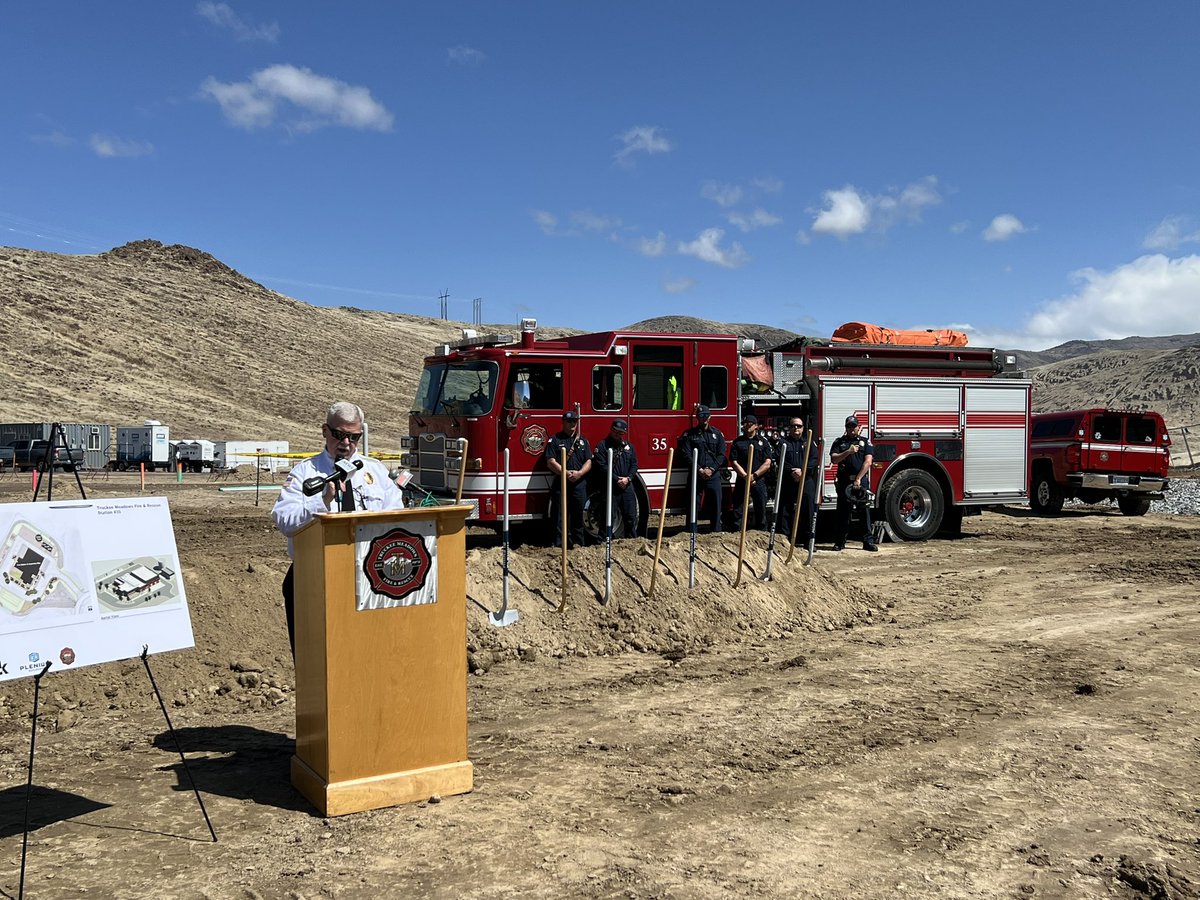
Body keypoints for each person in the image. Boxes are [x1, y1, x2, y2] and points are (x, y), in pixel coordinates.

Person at [272, 401, 406, 654]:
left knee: (367, 650)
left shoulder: (375, 472)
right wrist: (321, 500)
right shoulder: (305, 472)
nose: (346, 443)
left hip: (371, 576)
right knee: (316, 653)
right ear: (325, 431)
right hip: (314, 574)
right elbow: (284, 521)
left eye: (353, 437)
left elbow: (396, 518)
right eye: (339, 435)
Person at [829, 415, 878, 552]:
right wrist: (847, 452)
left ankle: (868, 542)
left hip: (860, 481)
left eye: (854, 426)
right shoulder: (840, 442)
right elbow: (834, 459)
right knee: (843, 512)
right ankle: (839, 542)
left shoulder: (865, 442)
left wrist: (858, 479)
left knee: (864, 512)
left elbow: (868, 461)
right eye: (849, 427)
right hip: (844, 481)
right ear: (846, 428)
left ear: (858, 427)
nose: (852, 429)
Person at [545, 410, 592, 547]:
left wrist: (579, 473)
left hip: (579, 482)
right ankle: (559, 544)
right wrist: (565, 473)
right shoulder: (555, 440)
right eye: (569, 421)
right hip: (562, 482)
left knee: (579, 514)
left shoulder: (583, 441)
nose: (572, 424)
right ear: (563, 422)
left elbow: (589, 461)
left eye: (574, 421)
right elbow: (550, 461)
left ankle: (578, 543)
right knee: (559, 515)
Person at [775, 416, 822, 548]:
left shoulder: (809, 443)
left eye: (799, 426)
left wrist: (802, 471)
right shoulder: (783, 443)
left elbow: (814, 459)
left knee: (808, 510)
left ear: (803, 428)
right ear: (789, 428)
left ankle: (809, 542)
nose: (796, 428)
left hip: (806, 480)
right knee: (785, 511)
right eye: (793, 426)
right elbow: (780, 459)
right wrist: (792, 471)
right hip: (789, 480)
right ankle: (785, 542)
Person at [679, 405, 726, 533]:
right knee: (693, 504)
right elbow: (686, 455)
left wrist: (712, 469)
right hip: (696, 474)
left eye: (705, 416)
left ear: (709, 417)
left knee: (716, 504)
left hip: (713, 474)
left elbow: (721, 455)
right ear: (697, 418)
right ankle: (691, 531)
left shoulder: (717, 434)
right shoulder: (689, 435)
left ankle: (716, 531)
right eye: (700, 416)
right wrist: (699, 469)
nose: (703, 419)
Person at [591, 418, 639, 538]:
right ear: (611, 430)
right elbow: (602, 467)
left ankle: (631, 542)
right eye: (616, 431)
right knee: (608, 517)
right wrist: (616, 479)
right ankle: (604, 543)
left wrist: (628, 478)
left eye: (621, 433)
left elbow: (634, 465)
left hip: (627, 486)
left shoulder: (629, 447)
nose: (618, 434)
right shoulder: (602, 446)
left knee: (630, 517)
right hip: (611, 487)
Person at [729, 414, 773, 531]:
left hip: (758, 480)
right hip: (742, 479)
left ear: (756, 426)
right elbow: (734, 462)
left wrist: (754, 476)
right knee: (738, 508)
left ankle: (762, 533)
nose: (747, 426)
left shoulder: (763, 442)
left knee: (761, 508)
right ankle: (737, 533)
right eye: (745, 423)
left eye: (750, 424)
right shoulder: (737, 442)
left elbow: (767, 462)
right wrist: (745, 476)